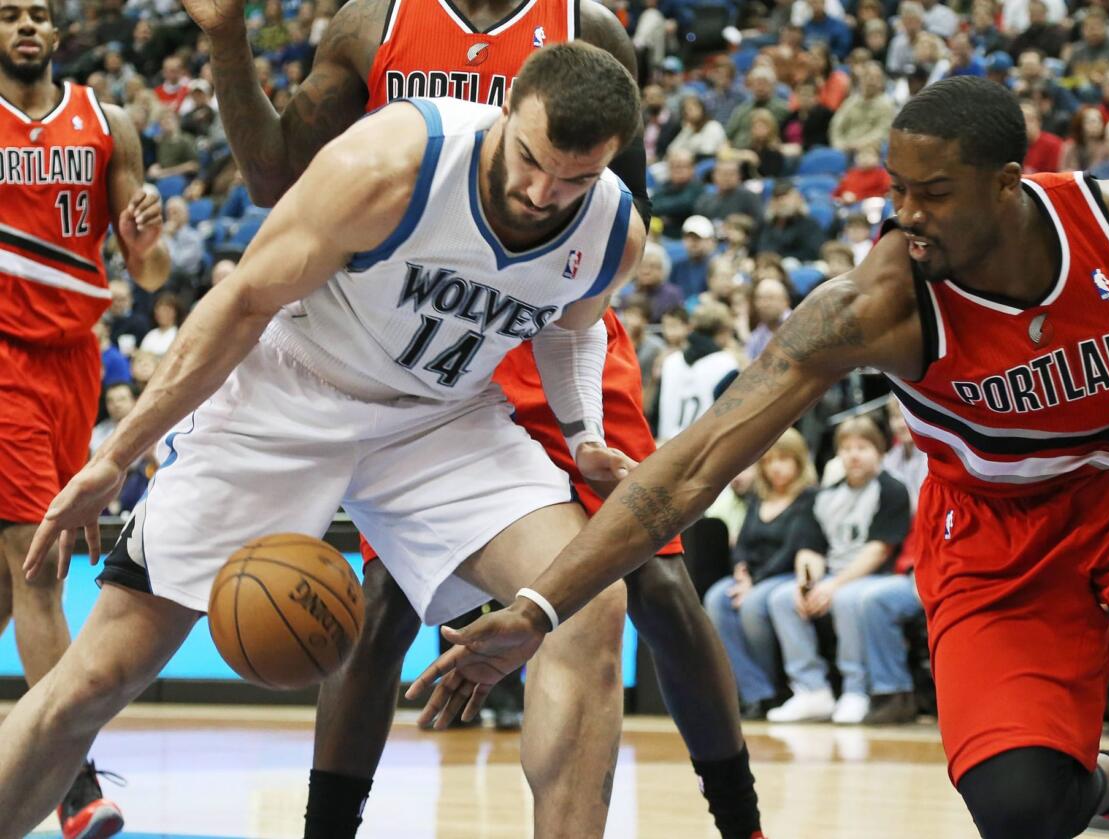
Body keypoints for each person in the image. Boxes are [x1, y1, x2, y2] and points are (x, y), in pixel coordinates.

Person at [420, 76, 1109, 839]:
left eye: (933, 193)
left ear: (1008, 184)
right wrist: (539, 606)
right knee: (1021, 810)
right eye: (896, 188)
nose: (906, 213)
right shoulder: (874, 304)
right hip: (993, 530)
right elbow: (693, 465)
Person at [1, 43, 645, 839]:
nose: (543, 191)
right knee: (95, 676)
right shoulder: (392, 163)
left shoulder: (614, 227)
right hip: (289, 391)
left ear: (611, 162)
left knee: (586, 602)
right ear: (507, 109)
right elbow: (241, 302)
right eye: (531, 160)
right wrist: (116, 454)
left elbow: (573, 328)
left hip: (438, 419)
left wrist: (582, 435)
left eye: (574, 179)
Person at [186, 0, 764, 835]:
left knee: (656, 581)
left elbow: (617, 205)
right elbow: (276, 180)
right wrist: (229, 41)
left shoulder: (586, 27)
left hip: (547, 318)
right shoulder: (368, 24)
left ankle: (742, 821)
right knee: (383, 599)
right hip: (425, 332)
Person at [0, 2, 169, 837]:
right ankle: (72, 782)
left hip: (73, 360)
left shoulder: (109, 123)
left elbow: (152, 268)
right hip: (2, 358)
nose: (25, 25)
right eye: (9, 14)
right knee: (33, 564)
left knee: (16, 576)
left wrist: (149, 235)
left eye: (37, 14)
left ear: (57, 35)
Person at [765, 416, 912, 724]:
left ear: (880, 452)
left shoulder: (892, 490)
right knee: (782, 598)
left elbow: (879, 551)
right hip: (835, 575)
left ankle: (854, 689)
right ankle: (811, 690)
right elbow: (811, 548)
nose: (853, 455)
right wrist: (807, 583)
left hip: (877, 576)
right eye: (846, 448)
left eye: (862, 447)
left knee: (846, 598)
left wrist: (833, 586)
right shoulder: (825, 495)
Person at [703, 428, 819, 719]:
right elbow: (742, 542)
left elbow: (792, 550)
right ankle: (754, 691)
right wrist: (741, 572)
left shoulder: (809, 498)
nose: (775, 467)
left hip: (784, 574)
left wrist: (754, 582)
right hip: (754, 577)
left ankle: (775, 685)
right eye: (768, 461)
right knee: (716, 597)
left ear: (798, 461)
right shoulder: (758, 498)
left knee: (755, 603)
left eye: (783, 459)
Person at [657, 302, 740, 442]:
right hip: (702, 450)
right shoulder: (727, 363)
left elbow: (654, 412)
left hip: (664, 448)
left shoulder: (670, 361)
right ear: (723, 332)